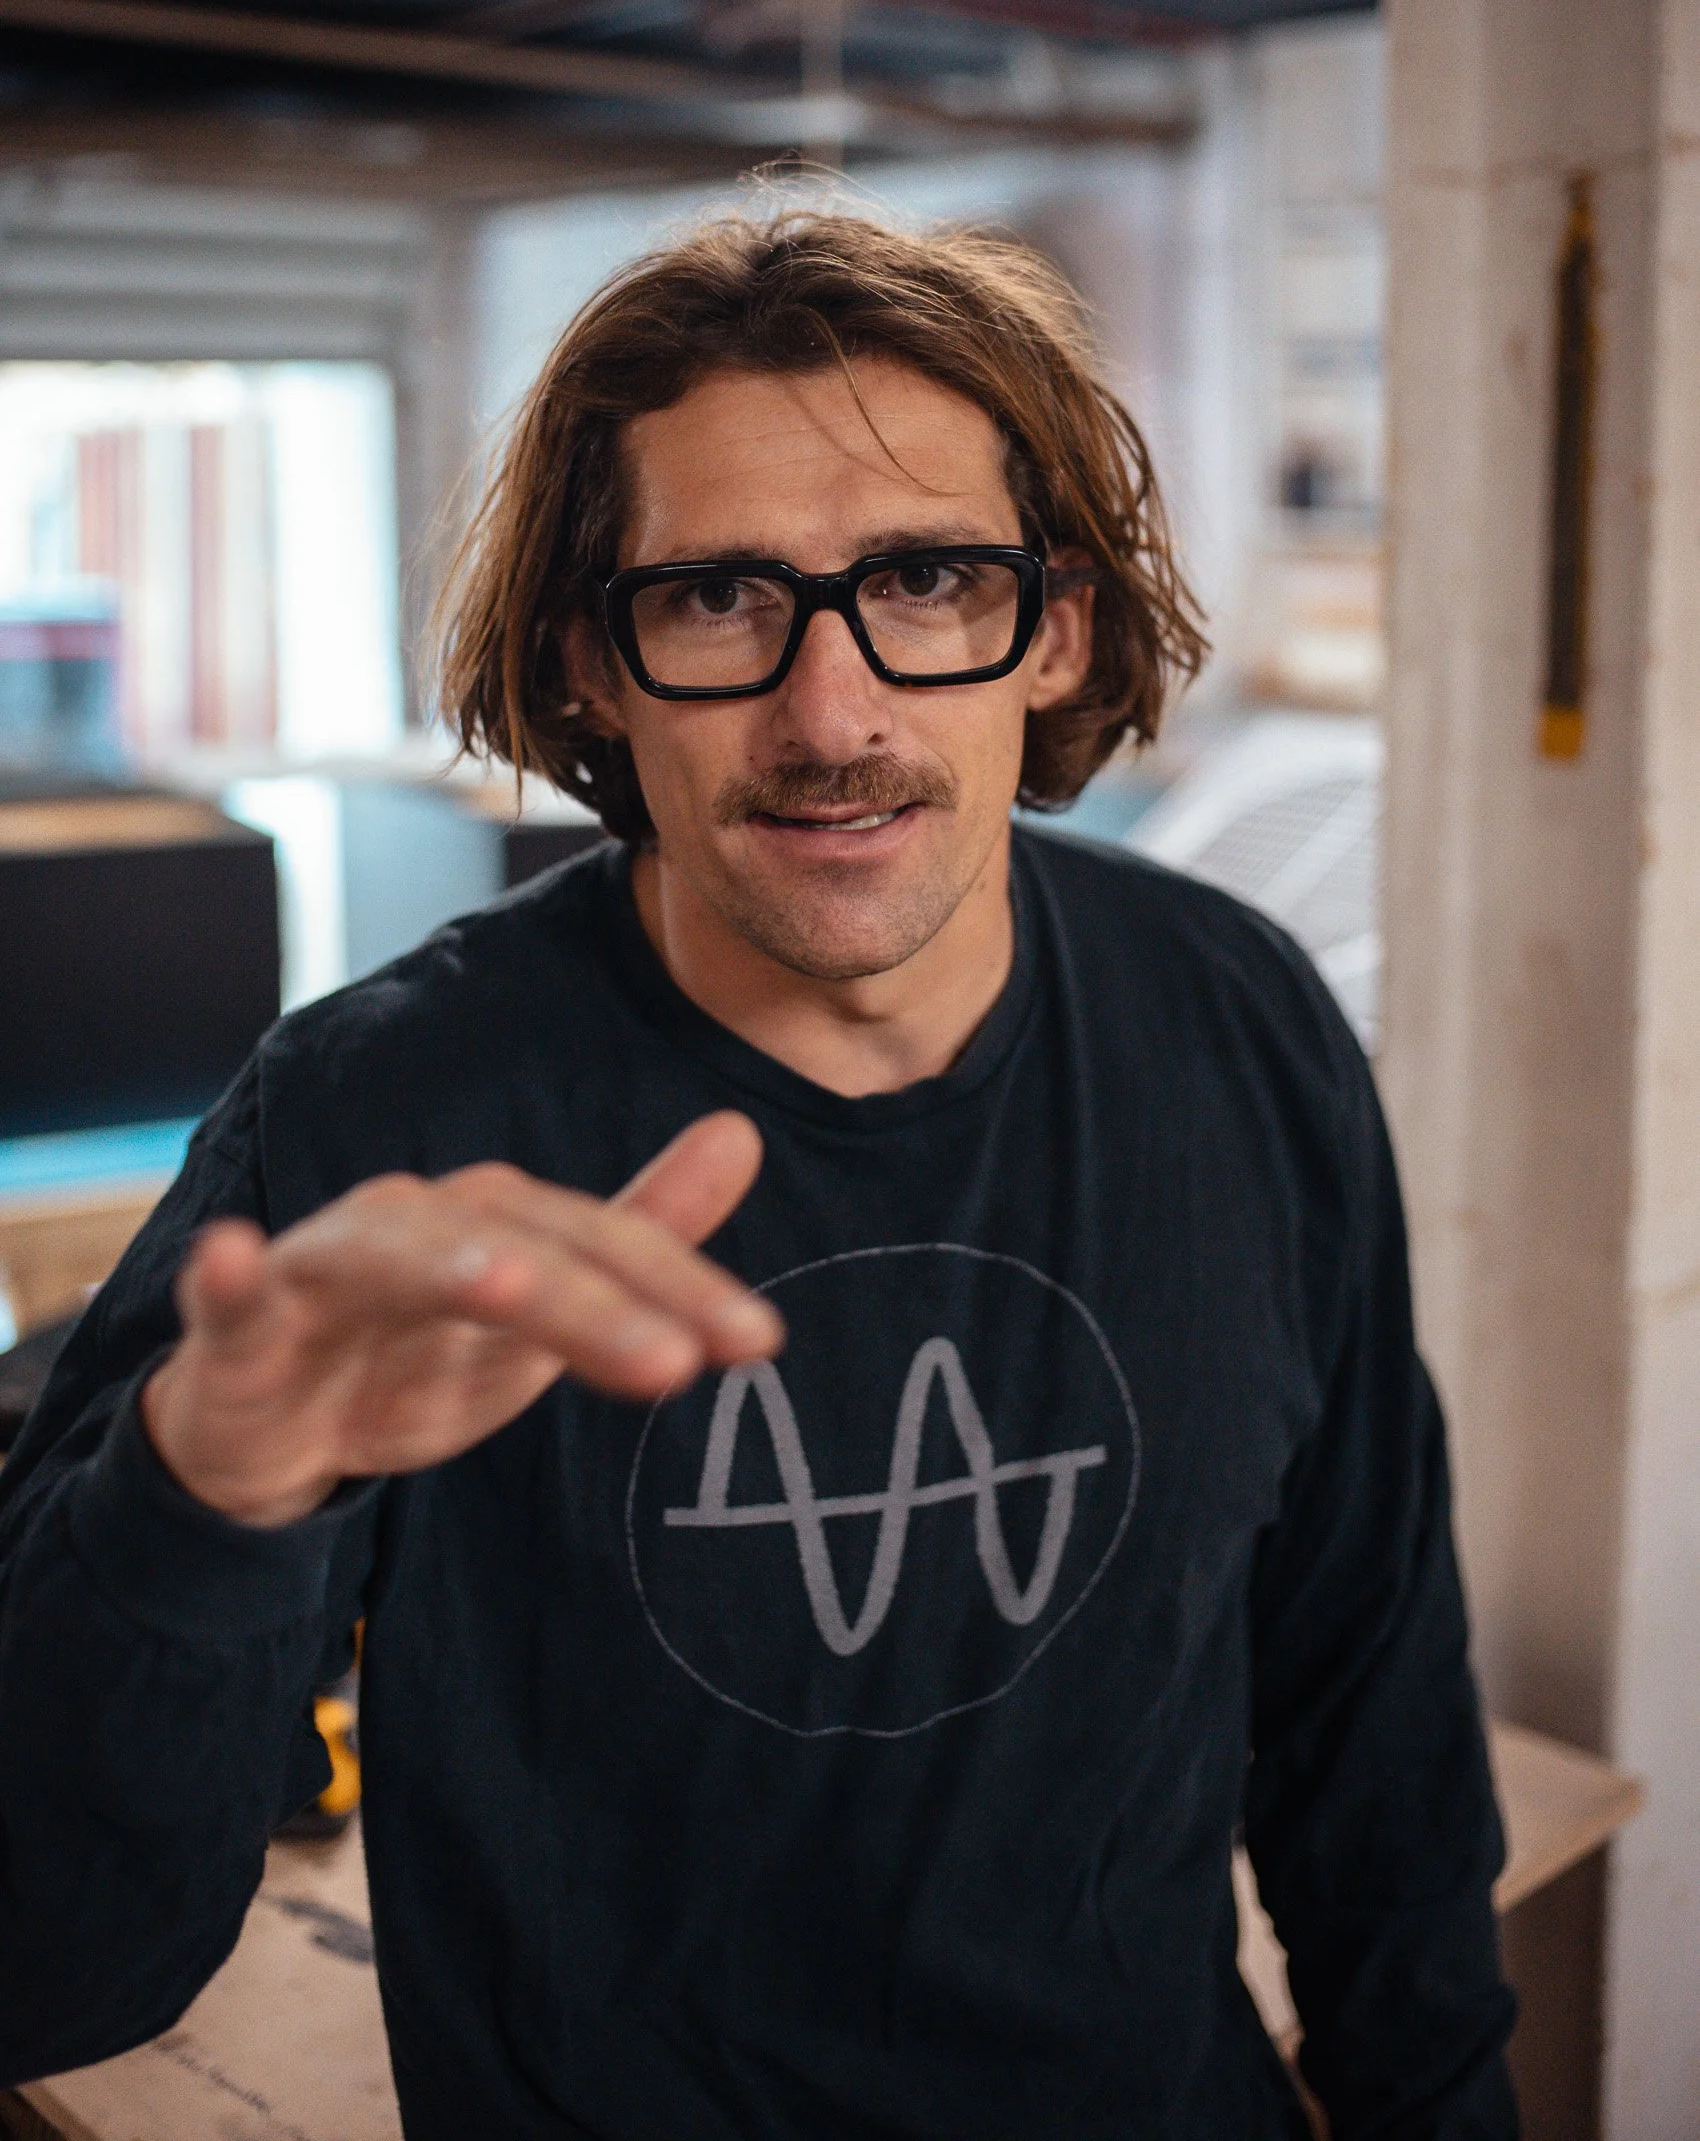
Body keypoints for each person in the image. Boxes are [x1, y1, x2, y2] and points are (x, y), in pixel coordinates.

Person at [0, 210, 1516, 2140]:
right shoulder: (375, 1123)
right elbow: (50, 1972)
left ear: (1053, 628)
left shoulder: (1238, 1021)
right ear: (590, 664)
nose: (833, 716)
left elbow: (1371, 1704)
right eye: (718, 599)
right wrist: (200, 1502)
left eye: (929, 581)